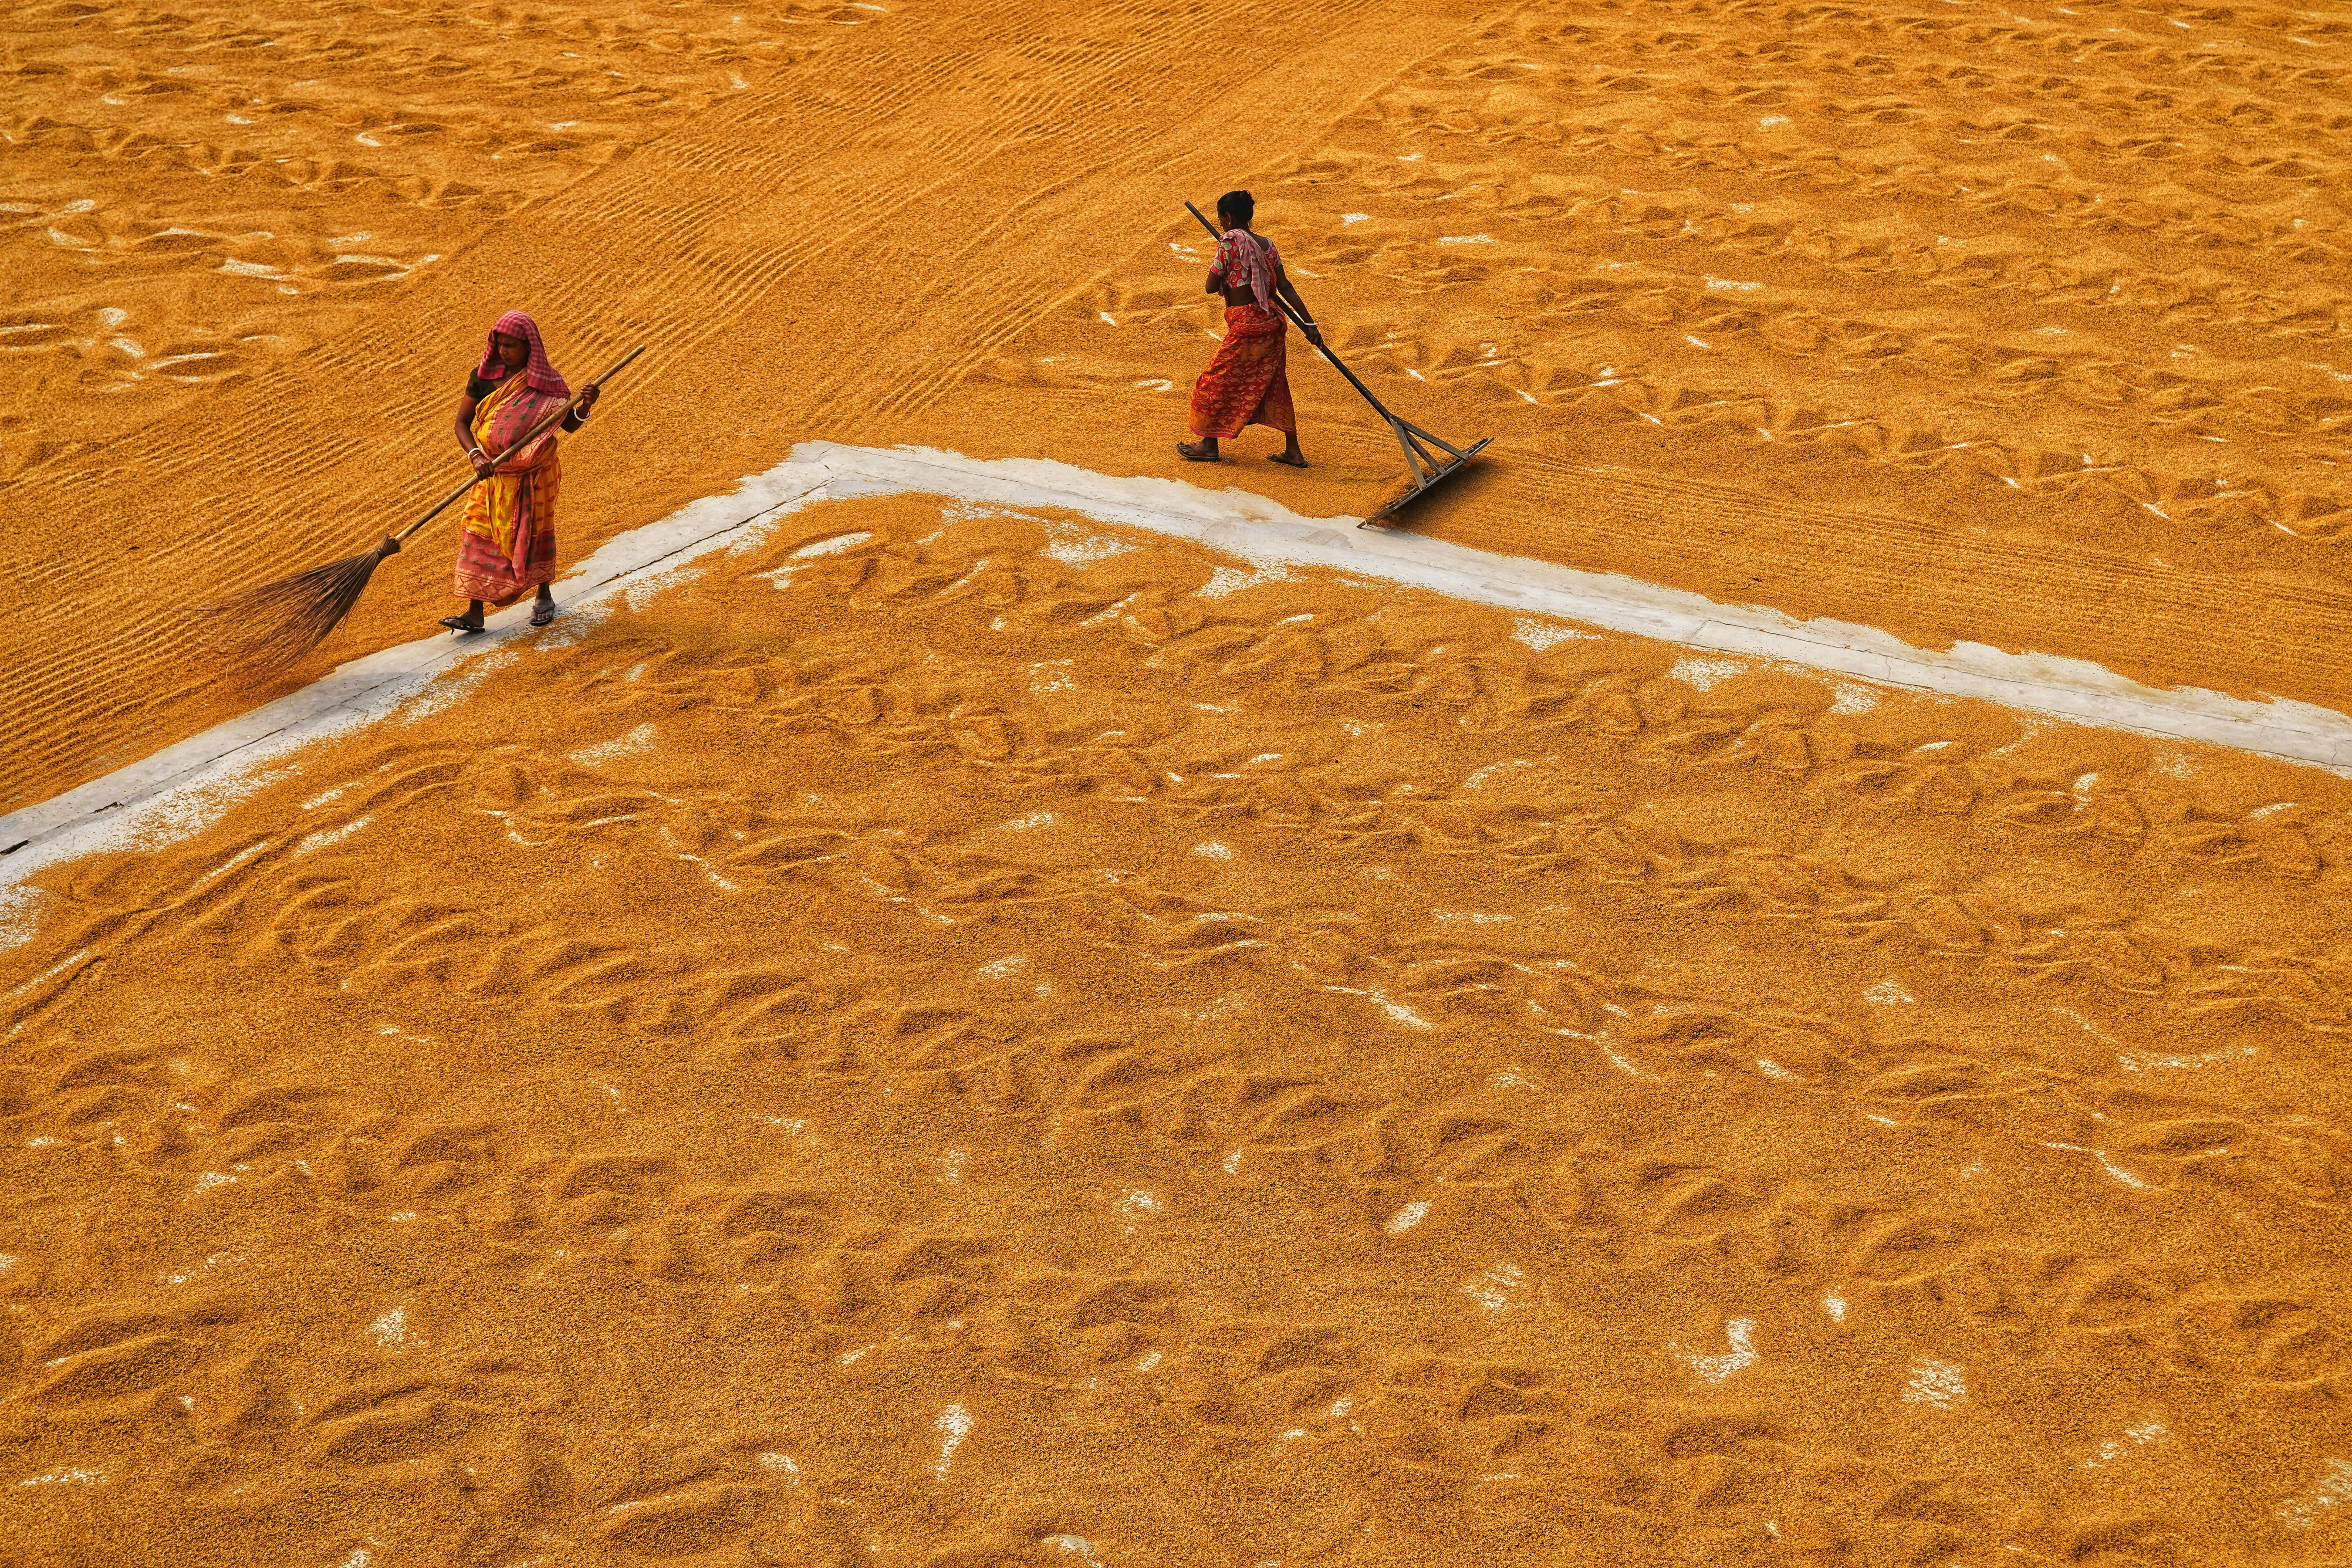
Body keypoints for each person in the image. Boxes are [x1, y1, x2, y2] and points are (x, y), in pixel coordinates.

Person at [440, 311, 601, 632]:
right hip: (493, 475)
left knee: (534, 534)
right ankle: (475, 612)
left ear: (530, 348)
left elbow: (568, 426)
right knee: (478, 533)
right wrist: (475, 456)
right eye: (499, 345)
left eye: (511, 346)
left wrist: (585, 406)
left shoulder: (547, 383)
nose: (504, 352)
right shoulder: (483, 377)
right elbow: (461, 423)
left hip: (535, 475)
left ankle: (543, 596)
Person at [1178, 189, 1323, 468]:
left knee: (1215, 380)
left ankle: (1208, 445)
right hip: (1272, 325)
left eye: (1221, 218)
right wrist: (1310, 324)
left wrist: (1224, 267)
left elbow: (1211, 287)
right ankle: (1293, 452)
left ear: (1229, 218)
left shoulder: (1230, 244)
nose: (1220, 224)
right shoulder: (1268, 245)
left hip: (1248, 326)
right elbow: (1286, 287)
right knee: (1275, 384)